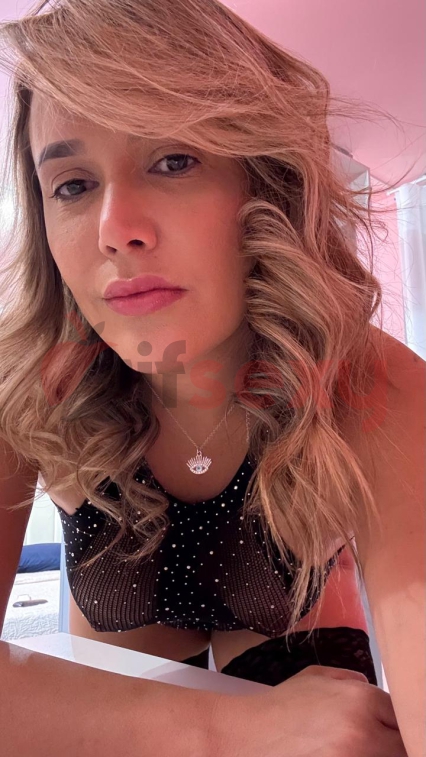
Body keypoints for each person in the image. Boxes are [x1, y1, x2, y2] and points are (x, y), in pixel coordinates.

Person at [0, 0, 423, 755]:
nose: (115, 229)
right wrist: (234, 728)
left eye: (174, 160)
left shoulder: (368, 382)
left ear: (263, 181)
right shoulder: (25, 380)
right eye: (72, 184)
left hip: (297, 650)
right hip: (128, 683)